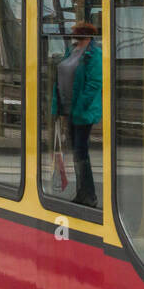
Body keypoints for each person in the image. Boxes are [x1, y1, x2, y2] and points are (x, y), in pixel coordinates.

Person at [52, 21, 102, 208]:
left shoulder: (94, 55)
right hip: (69, 111)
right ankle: (83, 192)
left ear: (88, 36)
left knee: (80, 151)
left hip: (82, 112)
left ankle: (89, 195)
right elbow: (60, 78)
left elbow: (94, 84)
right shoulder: (71, 52)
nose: (76, 38)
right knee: (76, 151)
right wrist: (57, 107)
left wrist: (79, 108)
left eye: (79, 35)